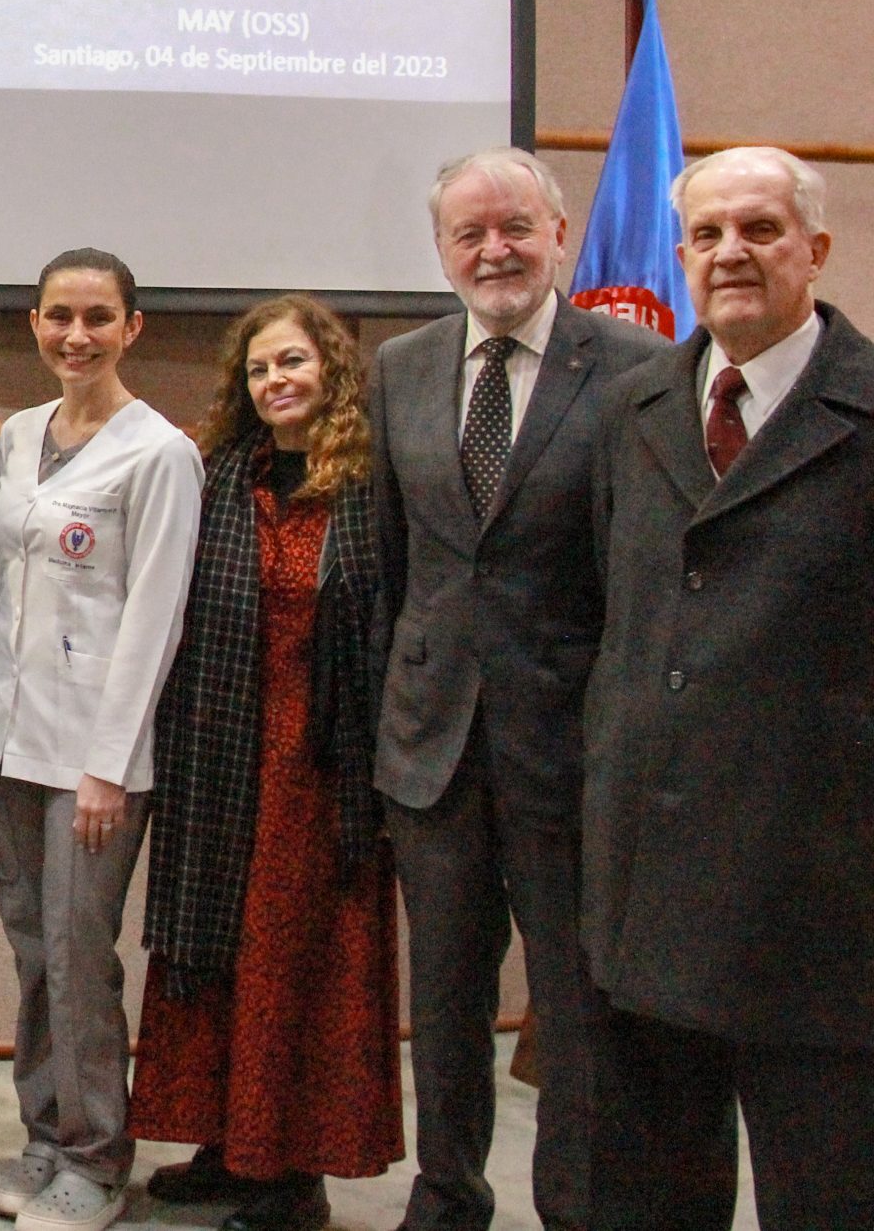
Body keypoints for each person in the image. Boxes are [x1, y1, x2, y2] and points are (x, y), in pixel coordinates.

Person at [367, 147, 662, 1231]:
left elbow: (639, 574)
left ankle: (574, 1206)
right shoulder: (399, 365)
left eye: (515, 228)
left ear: (559, 234)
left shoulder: (636, 367)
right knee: (444, 1001)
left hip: (570, 750)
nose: (494, 251)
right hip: (431, 750)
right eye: (469, 233)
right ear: (441, 249)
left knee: (577, 1008)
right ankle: (447, 1196)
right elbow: (395, 563)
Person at [583, 145, 874, 1231]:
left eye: (759, 229)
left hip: (819, 897)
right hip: (644, 887)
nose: (730, 253)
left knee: (827, 1195)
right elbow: (611, 615)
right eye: (706, 234)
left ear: (816, 249)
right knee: (649, 1198)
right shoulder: (634, 408)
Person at [129, 294, 400, 1231]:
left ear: (331, 369)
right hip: (219, 748)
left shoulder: (369, 484)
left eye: (292, 361)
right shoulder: (219, 476)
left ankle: (290, 1173)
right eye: (258, 368)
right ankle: (224, 1143)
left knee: (294, 962)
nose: (276, 380)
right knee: (212, 952)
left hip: (321, 767)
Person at [0, 248, 200, 1231]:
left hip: (92, 763)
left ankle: (97, 1158)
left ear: (131, 328)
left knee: (77, 955)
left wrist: (110, 764)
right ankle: (44, 1135)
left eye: (98, 317)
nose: (76, 335)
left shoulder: (160, 453)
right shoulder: (19, 434)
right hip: (6, 745)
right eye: (59, 315)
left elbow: (155, 617)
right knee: (32, 952)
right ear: (34, 322)